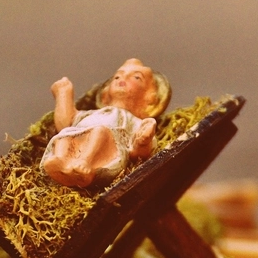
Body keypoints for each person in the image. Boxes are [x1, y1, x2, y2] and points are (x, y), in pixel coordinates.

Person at [42, 58, 170, 189]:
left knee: (100, 131)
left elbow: (139, 154)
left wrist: (142, 142)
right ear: (105, 94)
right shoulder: (92, 113)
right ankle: (60, 161)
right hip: (77, 142)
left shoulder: (132, 120)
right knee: (65, 134)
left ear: (151, 98)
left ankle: (85, 164)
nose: (123, 79)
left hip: (107, 154)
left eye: (136, 77)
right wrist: (63, 93)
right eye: (117, 77)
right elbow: (66, 123)